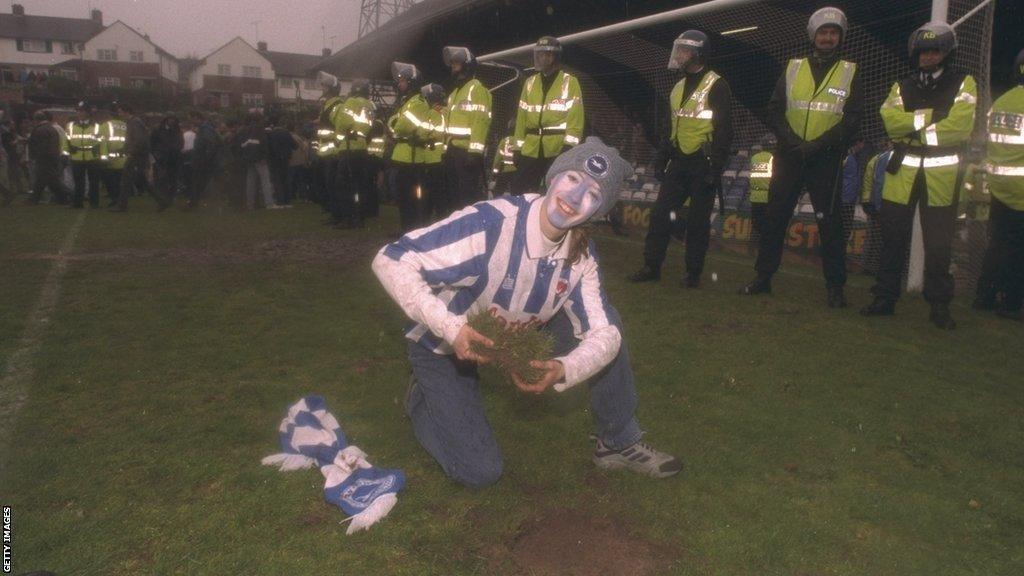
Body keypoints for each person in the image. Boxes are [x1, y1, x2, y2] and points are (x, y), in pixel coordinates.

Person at [372, 137, 682, 488]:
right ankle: (420, 397)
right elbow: (392, 258)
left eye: (594, 195)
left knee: (608, 320)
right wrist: (451, 327)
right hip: (443, 342)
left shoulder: (581, 256)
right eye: (573, 179)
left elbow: (605, 336)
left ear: (597, 211)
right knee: (479, 472)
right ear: (554, 177)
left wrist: (566, 367)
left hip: (517, 335)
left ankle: (617, 441)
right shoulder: (492, 224)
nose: (576, 198)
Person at [740, 7, 863, 307]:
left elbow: (852, 119)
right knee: (775, 219)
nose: (828, 37)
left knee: (830, 225)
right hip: (790, 155)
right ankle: (763, 278)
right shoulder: (793, 67)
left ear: (840, 37)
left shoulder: (850, 71)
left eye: (833, 33)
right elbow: (774, 108)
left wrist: (818, 145)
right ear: (813, 35)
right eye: (823, 32)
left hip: (826, 158)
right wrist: (792, 141)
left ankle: (835, 288)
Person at [860, 22, 978, 329]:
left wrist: (913, 124)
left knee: (939, 246)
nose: (928, 57)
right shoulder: (902, 85)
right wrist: (932, 118)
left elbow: (961, 127)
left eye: (934, 51)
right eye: (923, 52)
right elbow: (889, 121)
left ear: (946, 53)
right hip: (901, 174)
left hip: (942, 175)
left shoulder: (964, 82)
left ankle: (939, 306)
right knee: (892, 240)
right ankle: (885, 298)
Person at [629, 29, 733, 288]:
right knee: (660, 215)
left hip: (703, 163)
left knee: (698, 223)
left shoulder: (716, 84)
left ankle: (693, 273)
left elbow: (724, 130)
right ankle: (651, 266)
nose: (678, 55)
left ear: (698, 53)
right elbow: (671, 127)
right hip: (678, 161)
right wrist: (661, 158)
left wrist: (716, 168)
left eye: (684, 50)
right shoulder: (676, 87)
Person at [974, 48, 1024, 321]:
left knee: (998, 242)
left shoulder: (1002, 102)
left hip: (999, 184)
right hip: (1022, 190)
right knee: (1018, 247)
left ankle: (985, 294)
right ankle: (1012, 302)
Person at [511, 36, 584, 195]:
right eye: (540, 54)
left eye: (546, 54)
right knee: (519, 191)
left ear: (554, 56)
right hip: (530, 148)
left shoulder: (570, 82)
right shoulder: (529, 83)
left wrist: (569, 147)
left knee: (554, 193)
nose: (541, 58)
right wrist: (517, 148)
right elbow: (521, 118)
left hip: (557, 149)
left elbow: (576, 120)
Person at [443, 46, 492, 211]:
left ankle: (470, 232)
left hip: (466, 153)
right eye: (452, 63)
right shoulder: (454, 93)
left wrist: (475, 152)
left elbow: (481, 121)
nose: (453, 66)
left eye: (456, 63)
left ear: (467, 65)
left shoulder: (477, 89)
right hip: (453, 151)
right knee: (454, 196)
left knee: (467, 198)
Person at [387, 61, 432, 232]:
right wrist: (396, 126)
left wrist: (396, 127)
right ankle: (406, 229)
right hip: (402, 156)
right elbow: (392, 124)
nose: (399, 84)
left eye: (403, 81)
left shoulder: (418, 102)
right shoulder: (407, 103)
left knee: (411, 198)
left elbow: (400, 126)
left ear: (412, 82)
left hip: (413, 159)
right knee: (403, 197)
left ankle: (412, 231)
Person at [331, 79, 375, 227]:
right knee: (359, 184)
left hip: (348, 147)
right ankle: (359, 217)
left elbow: (341, 124)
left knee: (344, 185)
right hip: (362, 147)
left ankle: (347, 218)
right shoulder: (369, 105)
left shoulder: (351, 102)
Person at [112, 103, 167, 212]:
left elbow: (139, 141)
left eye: (120, 112)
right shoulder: (133, 122)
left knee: (126, 180)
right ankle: (162, 201)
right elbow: (134, 140)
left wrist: (130, 152)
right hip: (138, 155)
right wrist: (123, 150)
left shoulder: (135, 123)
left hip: (137, 156)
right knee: (141, 180)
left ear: (126, 112)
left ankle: (122, 206)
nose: (119, 114)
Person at [314, 72, 346, 213]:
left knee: (332, 183)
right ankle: (329, 209)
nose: (322, 89)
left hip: (333, 152)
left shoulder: (337, 105)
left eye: (325, 86)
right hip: (324, 151)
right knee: (325, 182)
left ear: (332, 89)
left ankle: (335, 212)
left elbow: (340, 128)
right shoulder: (327, 105)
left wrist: (338, 148)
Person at [27, 111, 69, 205]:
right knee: (48, 180)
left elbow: (41, 146)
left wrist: (37, 156)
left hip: (44, 158)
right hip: (53, 157)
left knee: (47, 180)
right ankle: (62, 198)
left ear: (35, 120)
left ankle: (69, 195)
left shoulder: (40, 130)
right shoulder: (51, 128)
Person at [66, 103, 103, 208]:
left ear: (88, 112)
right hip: (76, 156)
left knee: (94, 182)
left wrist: (102, 156)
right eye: (78, 111)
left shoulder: (96, 126)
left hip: (92, 157)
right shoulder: (71, 126)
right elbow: (67, 140)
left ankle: (94, 203)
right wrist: (65, 154)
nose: (79, 113)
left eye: (82, 111)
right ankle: (77, 203)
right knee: (78, 182)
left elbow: (102, 142)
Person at [239, 111, 278, 210]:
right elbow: (263, 143)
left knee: (250, 181)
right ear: (260, 119)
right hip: (259, 158)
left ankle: (250, 204)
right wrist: (264, 156)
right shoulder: (260, 128)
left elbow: (243, 145)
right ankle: (269, 203)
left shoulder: (245, 130)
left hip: (248, 158)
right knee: (265, 181)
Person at [188, 110, 220, 209]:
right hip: (201, 159)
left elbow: (211, 145)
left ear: (197, 118)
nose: (191, 122)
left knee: (198, 182)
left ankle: (193, 203)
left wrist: (205, 159)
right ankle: (193, 203)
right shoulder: (203, 128)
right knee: (199, 183)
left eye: (192, 119)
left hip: (202, 160)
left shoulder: (205, 128)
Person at [748, 136, 776, 247]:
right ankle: (766, 245)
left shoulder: (754, 158)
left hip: (755, 195)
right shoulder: (774, 158)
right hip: (768, 196)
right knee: (768, 224)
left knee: (756, 223)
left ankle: (753, 245)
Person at [151, 115, 184, 205]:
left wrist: (176, 150)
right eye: (170, 119)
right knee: (161, 177)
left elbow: (180, 142)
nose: (171, 121)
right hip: (161, 157)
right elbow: (152, 142)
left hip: (173, 157)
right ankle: (162, 197)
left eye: (173, 119)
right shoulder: (158, 129)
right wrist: (155, 154)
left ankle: (170, 196)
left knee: (173, 178)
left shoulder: (177, 130)